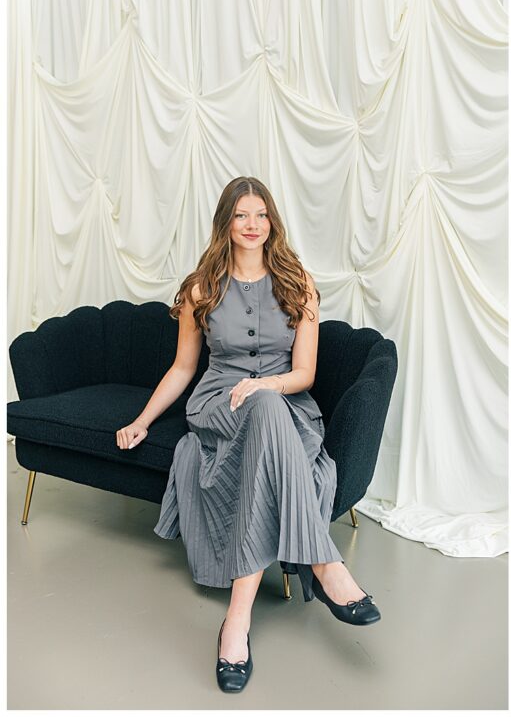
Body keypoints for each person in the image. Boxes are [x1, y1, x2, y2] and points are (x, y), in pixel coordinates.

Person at [116, 176, 380, 694]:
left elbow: (304, 373)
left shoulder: (298, 283)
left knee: (266, 409)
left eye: (261, 215)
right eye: (241, 215)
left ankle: (235, 623)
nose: (252, 224)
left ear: (272, 222)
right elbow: (183, 368)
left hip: (286, 403)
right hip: (220, 406)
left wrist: (266, 385)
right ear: (227, 223)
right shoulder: (202, 288)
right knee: (259, 408)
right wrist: (142, 420)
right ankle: (323, 562)